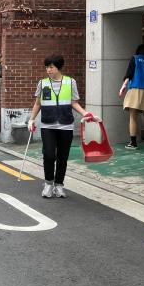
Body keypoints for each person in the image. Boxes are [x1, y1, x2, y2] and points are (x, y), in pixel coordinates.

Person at [26, 54, 97, 199]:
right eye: (47, 67)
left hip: (66, 125)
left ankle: (59, 185)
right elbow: (38, 103)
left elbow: (74, 102)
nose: (48, 70)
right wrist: (31, 120)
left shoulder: (70, 82)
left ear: (58, 67)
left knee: (63, 157)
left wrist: (85, 113)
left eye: (51, 67)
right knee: (49, 155)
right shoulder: (43, 83)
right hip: (47, 125)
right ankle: (48, 184)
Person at [119, 44, 144, 150]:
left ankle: (133, 143)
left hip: (136, 88)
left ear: (138, 51)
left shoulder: (135, 58)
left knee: (133, 117)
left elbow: (129, 73)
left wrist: (123, 86)